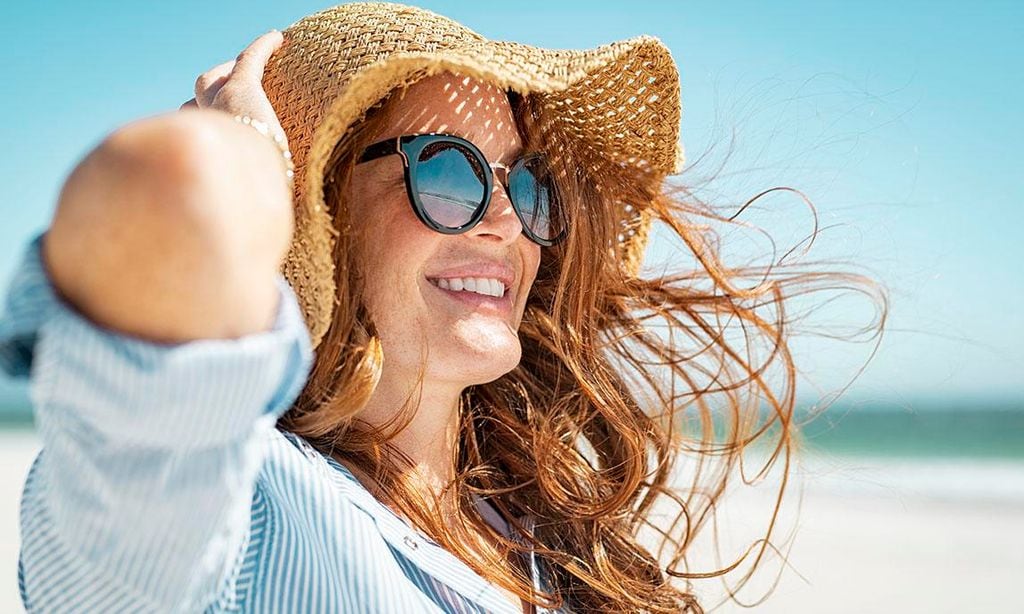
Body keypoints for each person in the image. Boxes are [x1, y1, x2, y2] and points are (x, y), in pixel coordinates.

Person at [1, 3, 887, 613]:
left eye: (525, 183)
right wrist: (240, 160)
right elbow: (162, 193)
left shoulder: (536, 534)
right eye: (448, 170)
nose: (507, 221)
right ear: (319, 206)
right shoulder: (226, 513)